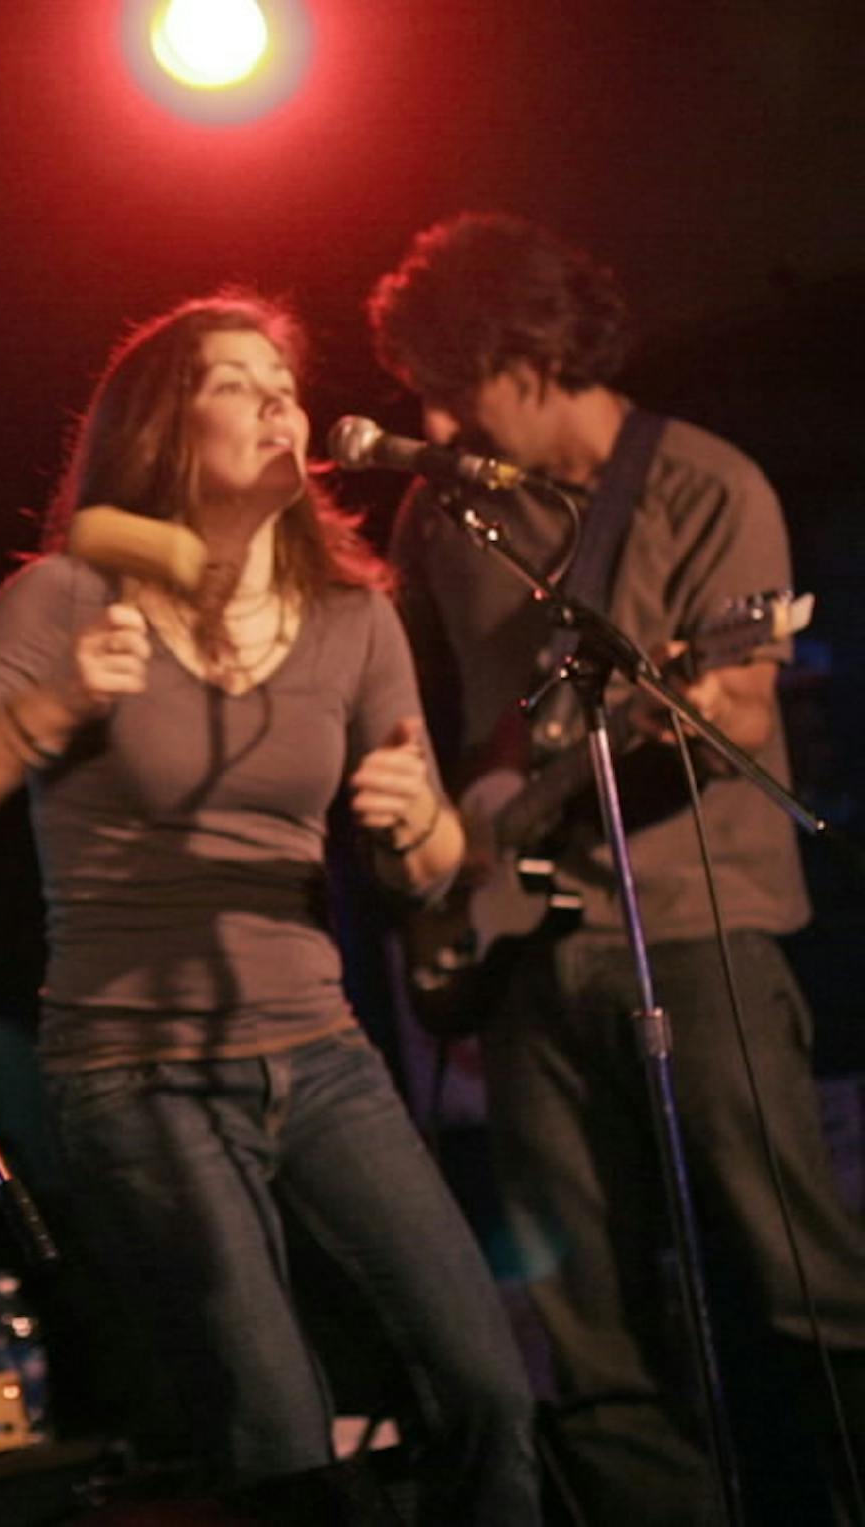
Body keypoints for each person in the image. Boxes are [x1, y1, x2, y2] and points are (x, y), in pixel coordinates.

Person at [0, 291, 538, 1523]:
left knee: (488, 1386)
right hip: (138, 1070)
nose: (279, 396)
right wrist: (50, 710)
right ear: (160, 429)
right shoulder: (73, 597)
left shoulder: (353, 617)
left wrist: (421, 829)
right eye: (236, 379)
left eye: (282, 376)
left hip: (322, 1057)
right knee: (276, 1433)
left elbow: (428, 870)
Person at [369, 211, 865, 1525]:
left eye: (454, 384)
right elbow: (417, 707)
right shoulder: (447, 505)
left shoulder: (707, 485)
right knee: (578, 1327)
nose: (437, 414)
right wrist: (436, 846)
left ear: (528, 360)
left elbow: (741, 707)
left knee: (796, 1276)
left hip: (697, 929)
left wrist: (695, 703)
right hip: (522, 953)